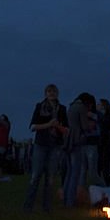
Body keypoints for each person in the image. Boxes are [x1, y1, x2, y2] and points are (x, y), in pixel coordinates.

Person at [23, 84, 68, 212]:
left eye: (54, 91)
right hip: (41, 144)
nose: (51, 93)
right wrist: (48, 124)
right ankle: (28, 206)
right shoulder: (40, 107)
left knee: (50, 177)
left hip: (55, 145)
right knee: (35, 175)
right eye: (49, 91)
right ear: (45, 94)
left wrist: (58, 126)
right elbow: (33, 127)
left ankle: (47, 207)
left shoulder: (62, 109)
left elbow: (66, 130)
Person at [97, 99, 110, 185]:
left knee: (105, 165)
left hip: (106, 143)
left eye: (100, 104)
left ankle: (106, 183)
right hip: (98, 143)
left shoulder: (109, 117)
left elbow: (108, 126)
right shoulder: (97, 116)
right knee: (98, 166)